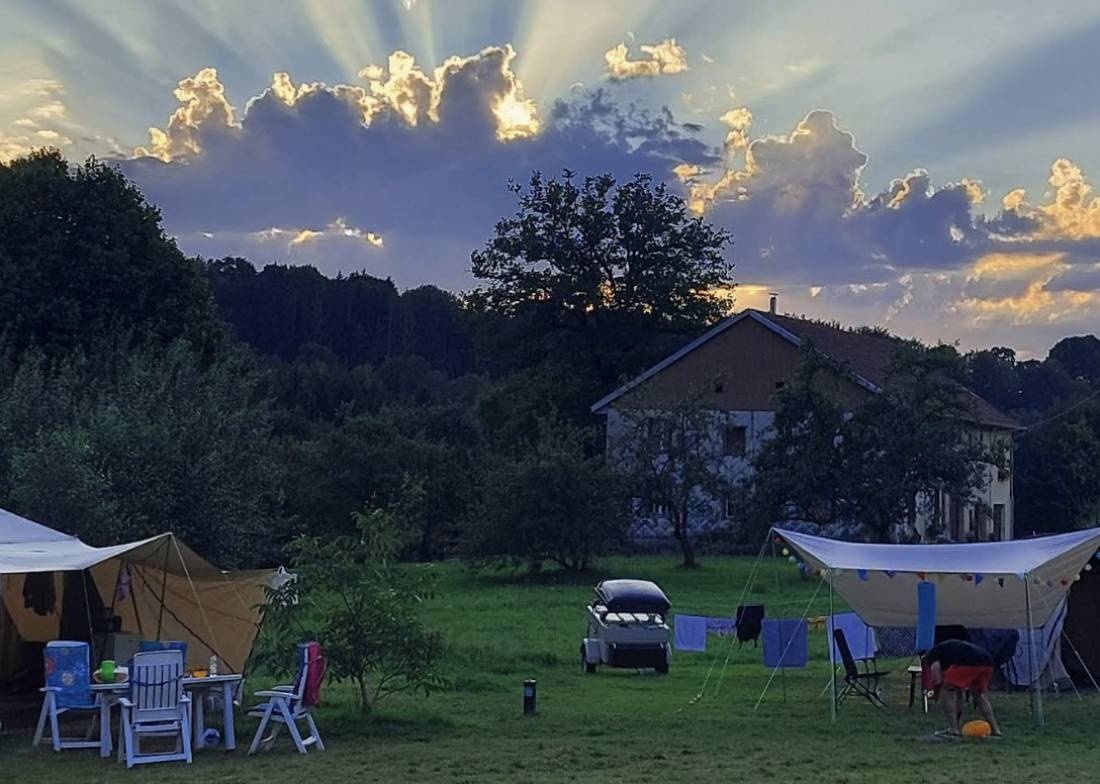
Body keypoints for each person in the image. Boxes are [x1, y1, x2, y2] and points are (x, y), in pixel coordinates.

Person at [922, 639, 1003, 739]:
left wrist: (935, 693)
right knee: (978, 695)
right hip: (987, 662)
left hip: (968, 662)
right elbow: (958, 690)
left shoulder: (932, 655)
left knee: (946, 690)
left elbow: (937, 679)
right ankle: (996, 730)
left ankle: (953, 730)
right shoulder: (948, 652)